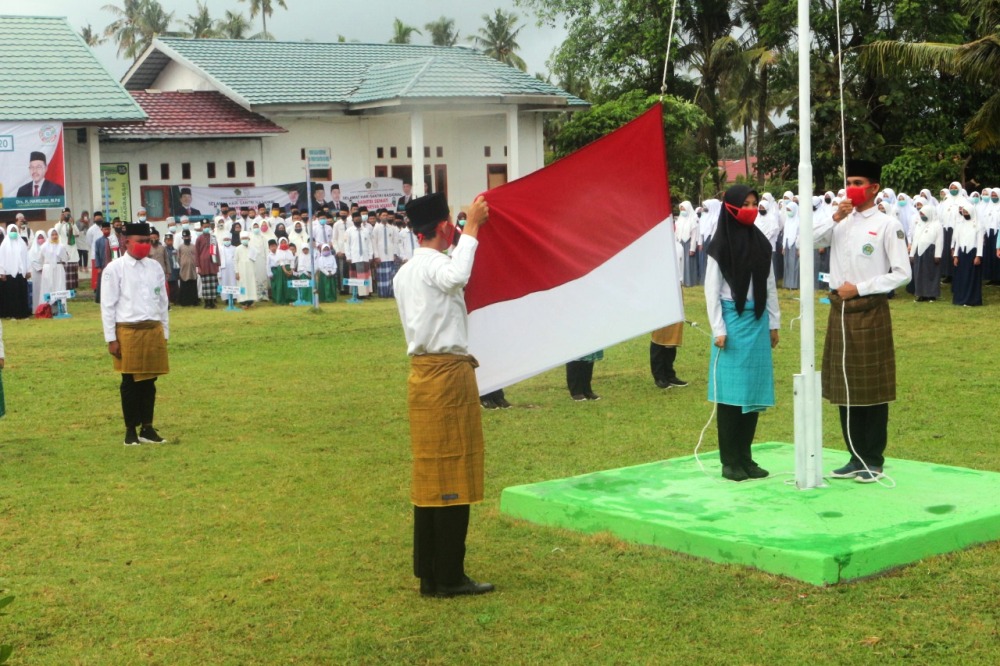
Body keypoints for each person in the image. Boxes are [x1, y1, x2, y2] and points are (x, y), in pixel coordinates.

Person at [392, 191, 494, 599]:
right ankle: (449, 574)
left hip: (422, 376)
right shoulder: (436, 264)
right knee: (452, 473)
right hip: (446, 375)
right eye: (452, 222)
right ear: (441, 227)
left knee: (430, 475)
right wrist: (473, 231)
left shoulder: (405, 272)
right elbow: (456, 277)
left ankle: (430, 573)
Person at [814, 159, 911, 483]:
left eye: (858, 182)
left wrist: (861, 287)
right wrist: (834, 216)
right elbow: (810, 242)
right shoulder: (839, 221)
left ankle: (873, 459)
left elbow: (902, 273)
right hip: (839, 309)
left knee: (872, 388)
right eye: (848, 182)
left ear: (874, 188)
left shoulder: (887, 224)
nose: (851, 188)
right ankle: (854, 456)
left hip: (869, 308)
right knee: (845, 385)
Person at [705, 184, 780, 482]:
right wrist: (718, 328)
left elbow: (770, 283)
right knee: (731, 397)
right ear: (731, 207)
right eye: (745, 204)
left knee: (752, 394)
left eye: (754, 203)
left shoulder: (761, 243)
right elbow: (711, 290)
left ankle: (746, 458)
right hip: (732, 322)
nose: (750, 209)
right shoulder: (720, 245)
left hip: (758, 320)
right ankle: (730, 461)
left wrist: (774, 322)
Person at [100, 221, 169, 445]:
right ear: (127, 242)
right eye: (140, 242)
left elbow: (162, 302)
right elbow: (108, 306)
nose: (145, 246)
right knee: (129, 382)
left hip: (152, 330)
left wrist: (164, 332)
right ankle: (130, 431)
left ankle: (147, 428)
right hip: (127, 331)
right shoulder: (114, 268)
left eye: (148, 242)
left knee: (150, 381)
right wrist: (111, 338)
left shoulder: (154, 267)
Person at [951, 201, 984, 306]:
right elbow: (958, 242)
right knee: (962, 277)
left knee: (972, 277)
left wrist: (978, 256)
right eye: (963, 212)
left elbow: (979, 242)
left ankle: (972, 300)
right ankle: (961, 299)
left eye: (967, 212)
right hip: (962, 254)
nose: (965, 214)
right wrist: (956, 255)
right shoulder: (961, 224)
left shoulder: (978, 225)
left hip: (972, 254)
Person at [909, 202, 944, 301]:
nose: (922, 216)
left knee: (931, 274)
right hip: (919, 251)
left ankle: (931, 294)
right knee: (919, 273)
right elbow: (915, 239)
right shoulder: (919, 224)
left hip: (930, 251)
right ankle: (921, 294)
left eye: (924, 214)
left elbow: (939, 241)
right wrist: (912, 254)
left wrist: (938, 255)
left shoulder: (937, 225)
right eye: (921, 214)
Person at [0, 224, 32, 319]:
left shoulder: (22, 244)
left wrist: (28, 270)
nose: (13, 232)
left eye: (15, 230)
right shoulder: (4, 245)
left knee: (22, 293)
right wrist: (2, 272)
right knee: (12, 295)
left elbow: (27, 258)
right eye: (12, 231)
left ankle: (23, 314)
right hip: (9, 274)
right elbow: (1, 259)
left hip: (21, 273)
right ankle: (13, 314)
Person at [39, 228, 69, 311]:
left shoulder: (61, 246)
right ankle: (46, 309)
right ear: (49, 236)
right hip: (48, 269)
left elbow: (65, 258)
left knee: (59, 287)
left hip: (59, 268)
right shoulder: (44, 247)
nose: (54, 236)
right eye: (52, 235)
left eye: (56, 234)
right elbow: (40, 259)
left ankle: (61, 309)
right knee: (48, 287)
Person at [346, 211, 374, 297]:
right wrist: (348, 256)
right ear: (353, 220)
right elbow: (346, 244)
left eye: (359, 219)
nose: (357, 220)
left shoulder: (366, 230)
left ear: (361, 220)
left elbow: (369, 243)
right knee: (356, 276)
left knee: (365, 275)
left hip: (365, 256)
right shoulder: (349, 231)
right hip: (354, 257)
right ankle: (357, 293)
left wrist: (370, 255)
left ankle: (365, 293)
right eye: (356, 219)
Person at [195, 221, 220, 309]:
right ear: (201, 227)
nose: (206, 228)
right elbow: (197, 253)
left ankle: (212, 302)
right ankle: (207, 303)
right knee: (205, 284)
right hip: (203, 265)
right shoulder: (199, 239)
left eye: (208, 226)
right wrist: (198, 266)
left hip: (212, 264)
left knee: (213, 284)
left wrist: (218, 264)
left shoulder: (213, 238)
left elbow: (216, 252)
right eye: (204, 226)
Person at [234, 231, 259, 308]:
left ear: (249, 239)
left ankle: (250, 301)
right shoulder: (237, 248)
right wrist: (236, 272)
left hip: (250, 270)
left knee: (251, 285)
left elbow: (254, 259)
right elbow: (235, 260)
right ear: (241, 239)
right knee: (242, 285)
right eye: (243, 238)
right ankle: (243, 302)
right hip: (241, 270)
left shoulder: (253, 249)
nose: (244, 239)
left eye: (246, 238)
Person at [176, 229, 199, 306]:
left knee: (192, 285)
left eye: (188, 237)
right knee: (184, 286)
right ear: (182, 238)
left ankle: (193, 301)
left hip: (192, 269)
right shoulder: (180, 247)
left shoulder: (194, 246)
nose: (186, 238)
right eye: (185, 237)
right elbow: (178, 258)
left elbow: (196, 257)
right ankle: (184, 302)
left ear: (190, 237)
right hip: (184, 270)